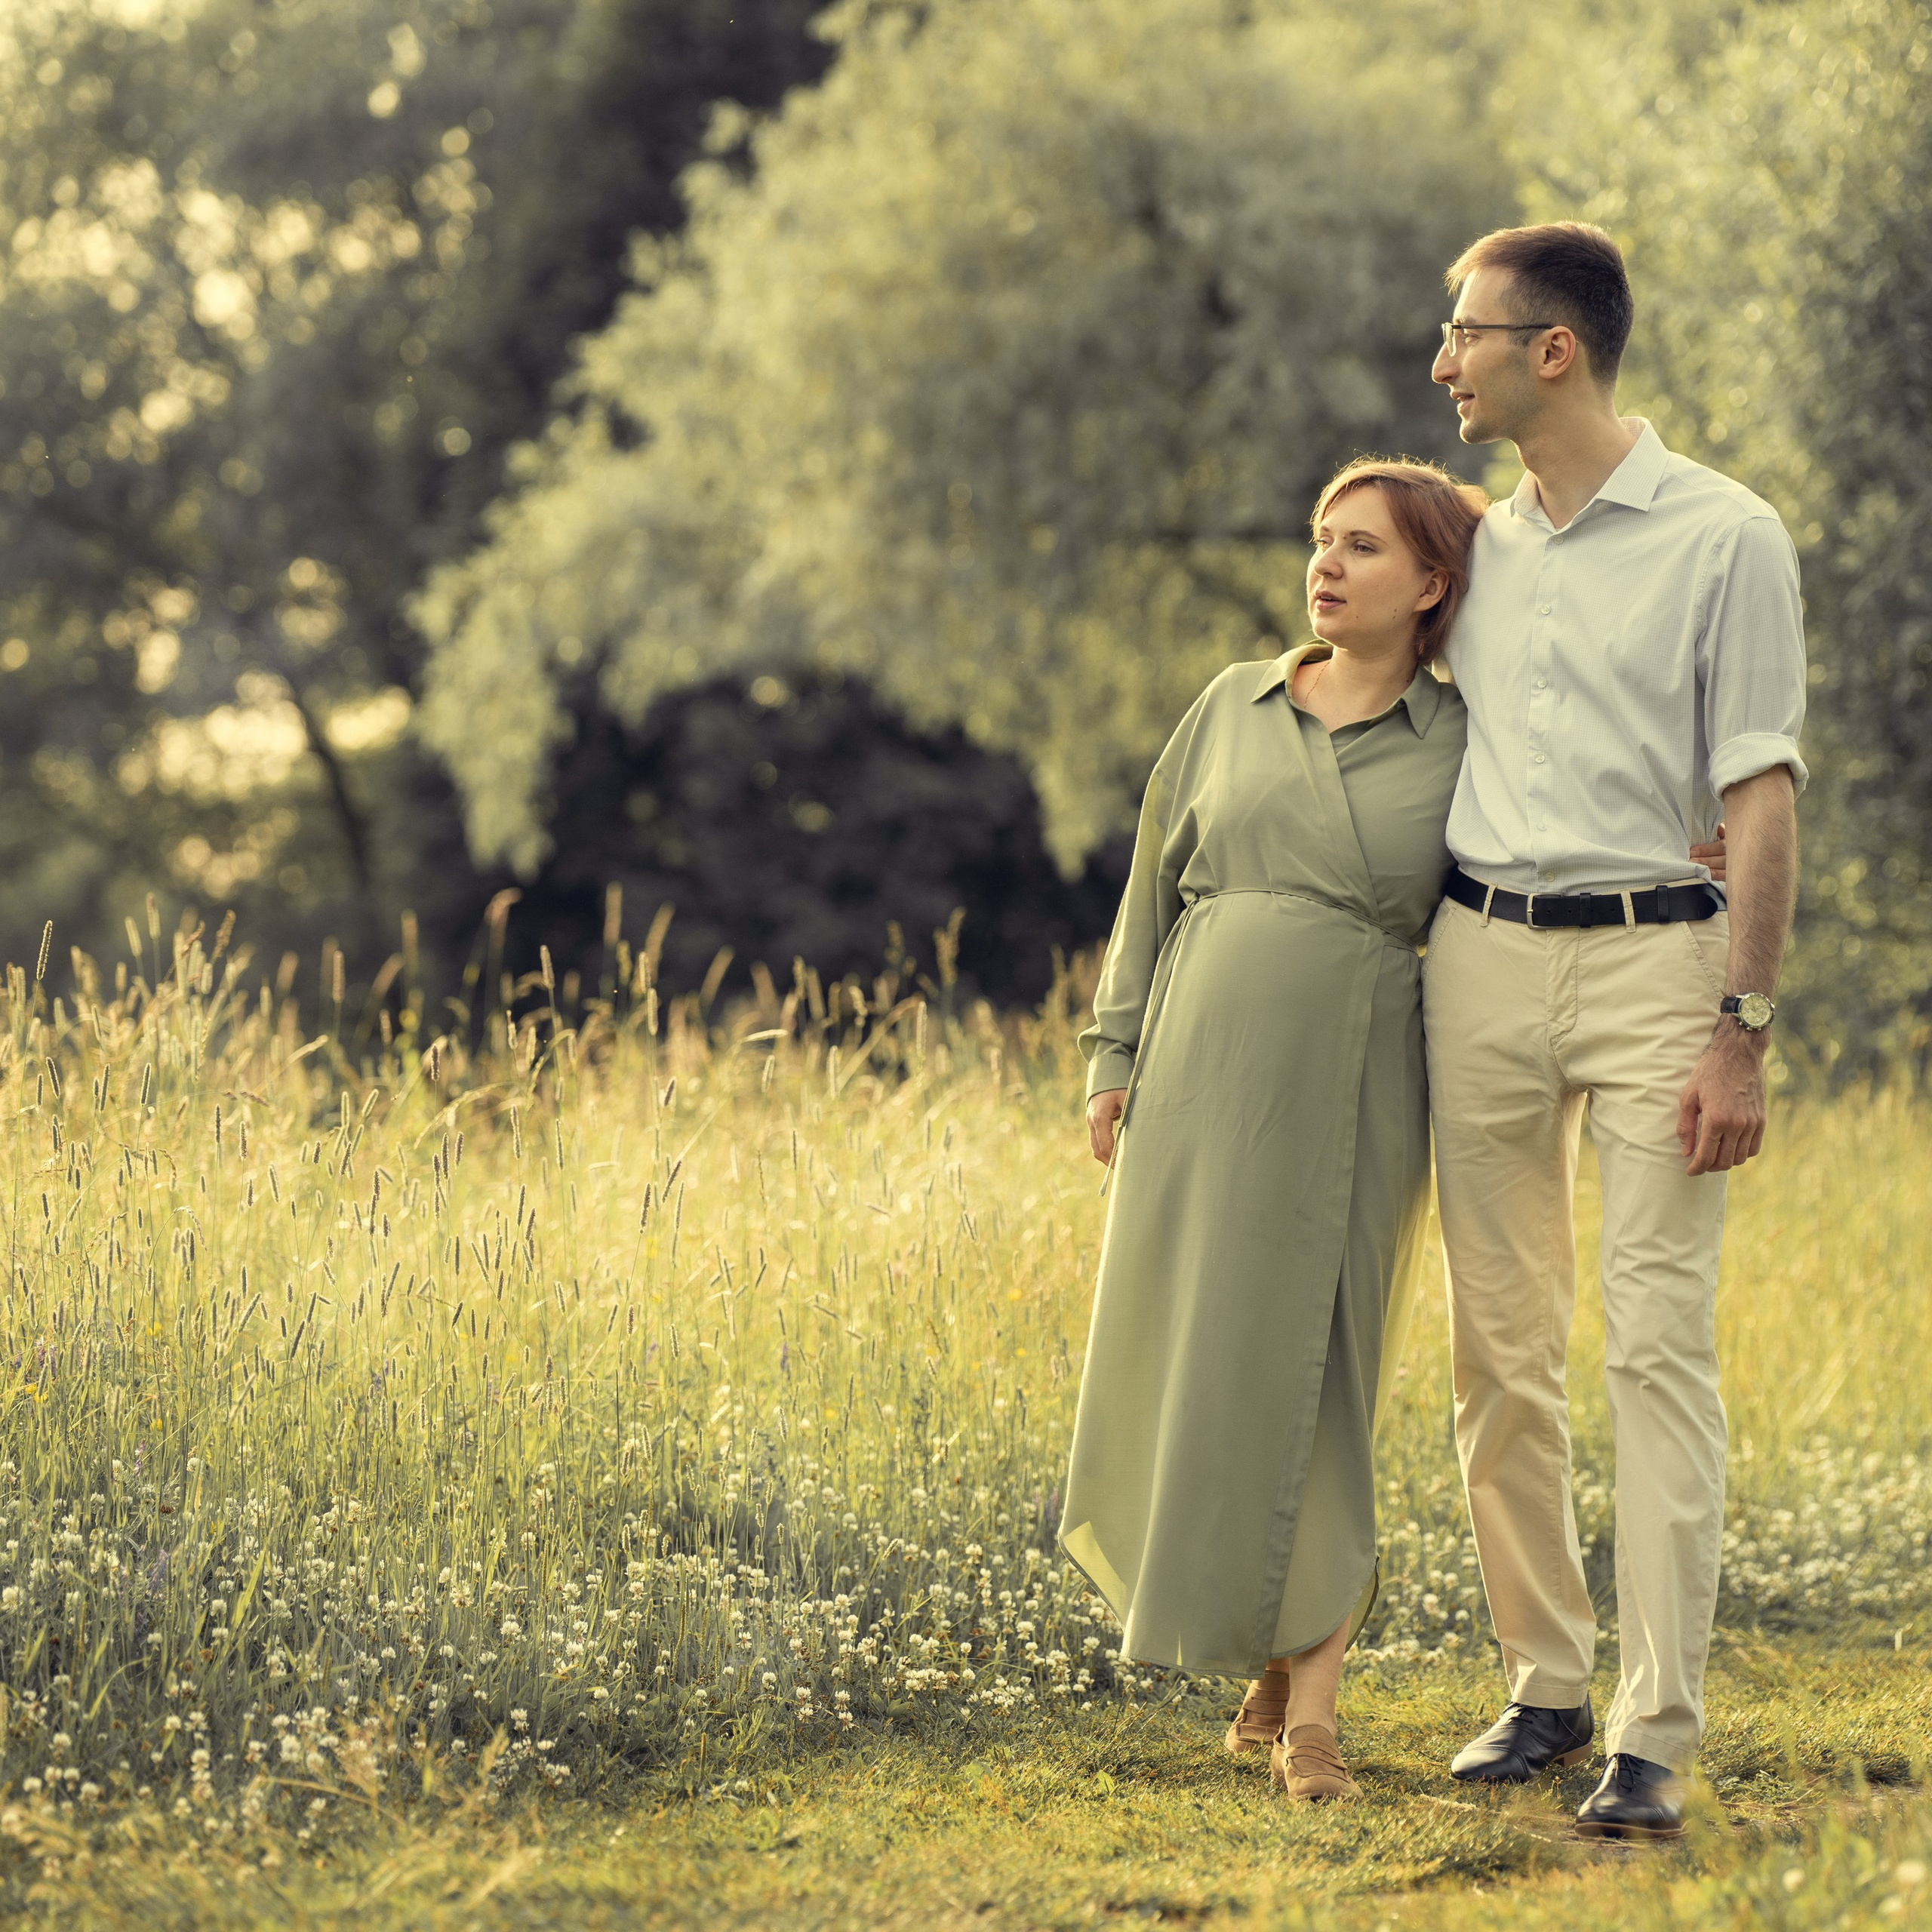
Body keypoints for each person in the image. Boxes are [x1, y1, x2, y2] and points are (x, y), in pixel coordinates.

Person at [1425, 223, 1805, 1841]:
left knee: (1653, 1342)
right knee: (1495, 1348)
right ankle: (1544, 1676)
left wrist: (1741, 1026)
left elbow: (1761, 792)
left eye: (1463, 333)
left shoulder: (1724, 535)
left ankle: (1652, 1724)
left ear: (1551, 350)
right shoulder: (1470, 545)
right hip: (1478, 958)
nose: (1442, 359)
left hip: (1662, 967)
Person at [1059, 457, 1483, 1802]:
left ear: (1430, 585)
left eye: (1363, 547)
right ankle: (1266, 1659)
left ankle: (1315, 1717)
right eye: (1323, 539)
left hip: (1354, 1084)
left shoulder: (1464, 738)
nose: (1328, 563)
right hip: (1195, 1078)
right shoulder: (1227, 709)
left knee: (1326, 1373)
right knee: (1213, 1363)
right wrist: (1110, 1058)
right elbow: (1148, 895)